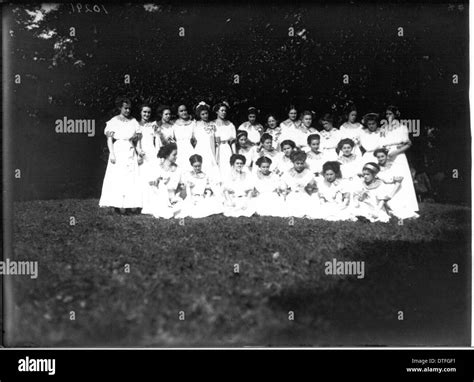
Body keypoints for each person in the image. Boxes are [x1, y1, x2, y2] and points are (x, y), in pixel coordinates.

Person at [99, 97, 142, 214]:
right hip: (118, 150)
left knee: (130, 177)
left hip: (130, 149)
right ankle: (117, 204)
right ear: (120, 108)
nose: (128, 111)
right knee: (118, 177)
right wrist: (112, 153)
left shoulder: (133, 121)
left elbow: (137, 139)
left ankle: (129, 204)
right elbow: (109, 139)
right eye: (125, 108)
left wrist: (138, 153)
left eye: (129, 109)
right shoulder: (113, 121)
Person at [381, 105, 419, 213]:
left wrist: (396, 152)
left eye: (390, 114)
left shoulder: (402, 127)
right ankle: (389, 203)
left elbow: (408, 144)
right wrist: (386, 153)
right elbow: (382, 142)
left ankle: (405, 204)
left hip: (399, 154)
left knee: (401, 177)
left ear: (395, 115)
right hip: (387, 154)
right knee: (389, 177)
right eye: (387, 114)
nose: (388, 116)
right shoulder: (384, 128)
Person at [374, 148, 419, 220]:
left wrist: (390, 195)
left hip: (394, 189)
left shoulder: (394, 166)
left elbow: (398, 183)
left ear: (386, 156)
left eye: (382, 156)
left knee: (396, 207)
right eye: (378, 157)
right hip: (381, 189)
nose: (380, 159)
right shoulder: (376, 167)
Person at [142, 143, 184, 219]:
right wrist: (157, 182)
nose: (176, 157)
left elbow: (180, 186)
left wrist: (175, 196)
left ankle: (171, 206)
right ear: (167, 155)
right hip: (160, 196)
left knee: (181, 208)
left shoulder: (178, 169)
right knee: (165, 211)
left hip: (173, 196)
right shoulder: (158, 168)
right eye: (174, 155)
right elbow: (151, 184)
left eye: (176, 154)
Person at [177, 154, 223, 218]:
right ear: (192, 165)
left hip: (202, 197)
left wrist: (206, 197)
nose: (197, 168)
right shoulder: (188, 175)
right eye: (195, 166)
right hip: (191, 198)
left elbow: (208, 189)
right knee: (185, 209)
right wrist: (191, 199)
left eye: (199, 166)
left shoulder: (205, 176)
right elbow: (187, 190)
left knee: (212, 206)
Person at [281, 150, 319, 218]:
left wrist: (308, 187)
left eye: (301, 163)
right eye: (297, 163)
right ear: (293, 162)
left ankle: (306, 214)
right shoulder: (288, 173)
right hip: (292, 195)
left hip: (305, 194)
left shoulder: (308, 173)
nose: (299, 165)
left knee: (308, 203)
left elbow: (312, 188)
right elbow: (284, 187)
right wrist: (286, 192)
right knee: (291, 203)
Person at [137, 103, 161, 210]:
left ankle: (153, 202)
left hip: (152, 152)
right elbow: (135, 142)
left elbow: (158, 140)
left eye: (148, 112)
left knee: (152, 175)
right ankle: (141, 203)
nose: (147, 114)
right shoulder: (136, 125)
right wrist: (139, 152)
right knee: (142, 175)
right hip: (142, 151)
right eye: (144, 112)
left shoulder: (153, 125)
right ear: (140, 113)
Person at [193, 102, 220, 182]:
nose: (205, 115)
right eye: (202, 114)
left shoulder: (212, 124)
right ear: (199, 115)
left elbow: (216, 139)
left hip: (210, 148)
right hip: (200, 147)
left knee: (211, 165)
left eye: (206, 113)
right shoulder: (196, 124)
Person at [214, 102, 237, 176]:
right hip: (216, 148)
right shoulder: (212, 124)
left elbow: (233, 141)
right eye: (222, 110)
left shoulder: (230, 124)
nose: (224, 112)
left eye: (225, 111)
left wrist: (234, 153)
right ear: (217, 111)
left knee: (227, 167)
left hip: (227, 148)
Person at [173, 103, 195, 171]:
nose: (184, 112)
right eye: (181, 111)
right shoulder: (174, 125)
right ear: (177, 113)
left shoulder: (193, 123)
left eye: (185, 110)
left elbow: (195, 139)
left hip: (189, 148)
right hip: (179, 149)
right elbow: (171, 138)